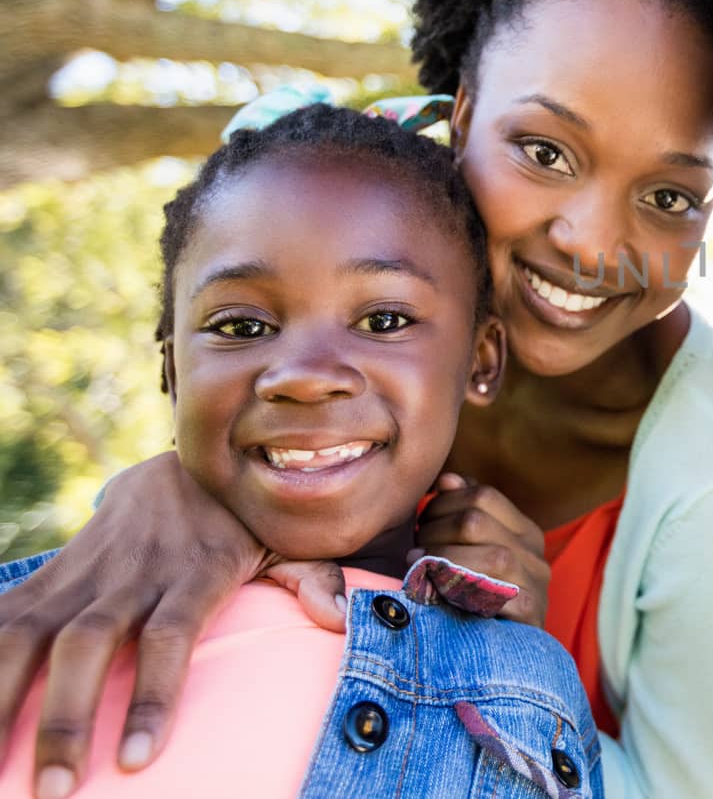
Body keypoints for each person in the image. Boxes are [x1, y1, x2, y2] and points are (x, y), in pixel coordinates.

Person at [0, 0, 713, 799]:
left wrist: (510, 651)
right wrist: (173, 485)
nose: (590, 239)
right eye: (543, 151)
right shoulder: (339, 180)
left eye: (670, 196)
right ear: (456, 113)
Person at [0, 103, 604, 798]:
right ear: (170, 372)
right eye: (241, 324)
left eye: (383, 319)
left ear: (481, 359)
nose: (306, 374)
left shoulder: (525, 686)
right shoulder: (30, 622)